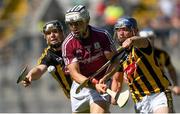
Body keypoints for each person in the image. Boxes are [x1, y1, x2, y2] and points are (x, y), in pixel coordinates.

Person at [99, 17, 174, 113]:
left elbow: (144, 41)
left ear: (135, 31)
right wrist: (110, 88)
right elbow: (117, 80)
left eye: (125, 30)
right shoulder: (120, 56)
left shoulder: (142, 46)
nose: (121, 33)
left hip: (158, 95)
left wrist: (132, 40)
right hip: (139, 101)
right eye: (118, 30)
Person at [62, 5, 116, 113]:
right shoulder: (68, 44)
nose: (74, 27)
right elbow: (75, 74)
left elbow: (115, 61)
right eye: (71, 24)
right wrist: (94, 84)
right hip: (81, 86)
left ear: (87, 20)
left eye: (78, 23)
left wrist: (107, 77)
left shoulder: (102, 36)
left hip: (101, 84)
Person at [22, 20, 72, 99]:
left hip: (89, 87)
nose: (52, 35)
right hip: (73, 96)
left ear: (62, 33)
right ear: (45, 38)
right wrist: (30, 74)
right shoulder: (48, 55)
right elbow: (39, 69)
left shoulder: (73, 44)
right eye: (48, 33)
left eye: (55, 31)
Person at [139, 28, 180, 95]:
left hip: (162, 88)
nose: (149, 40)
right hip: (143, 90)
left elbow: (171, 69)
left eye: (151, 38)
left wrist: (175, 85)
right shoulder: (135, 54)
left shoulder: (162, 54)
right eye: (145, 38)